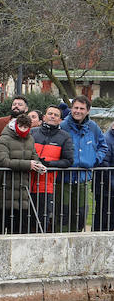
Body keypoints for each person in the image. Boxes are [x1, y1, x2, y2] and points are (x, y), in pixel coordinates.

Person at [58, 96, 105, 232]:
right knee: (63, 216)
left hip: (83, 179)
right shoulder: (63, 126)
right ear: (71, 108)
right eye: (76, 108)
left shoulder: (93, 128)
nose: (78, 111)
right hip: (64, 179)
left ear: (88, 111)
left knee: (81, 215)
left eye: (81, 108)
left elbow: (103, 146)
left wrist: (94, 160)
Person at [0, 114, 43, 234]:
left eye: (26, 127)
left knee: (20, 230)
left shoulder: (30, 139)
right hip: (4, 191)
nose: (23, 130)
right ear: (15, 125)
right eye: (21, 126)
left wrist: (39, 165)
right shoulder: (4, 139)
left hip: (23, 192)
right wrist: (28, 165)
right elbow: (2, 161)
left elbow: (34, 157)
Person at [29, 104, 72, 231]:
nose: (52, 116)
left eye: (56, 115)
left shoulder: (64, 136)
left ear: (60, 120)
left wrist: (49, 164)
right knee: (25, 221)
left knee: (42, 221)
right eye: (50, 114)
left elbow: (68, 160)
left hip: (46, 187)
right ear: (44, 117)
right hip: (26, 183)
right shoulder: (32, 132)